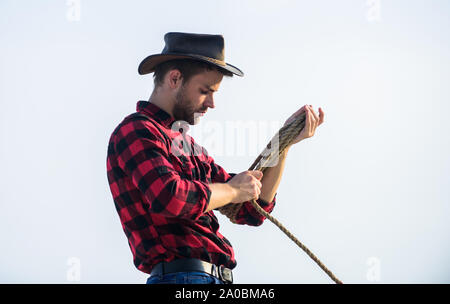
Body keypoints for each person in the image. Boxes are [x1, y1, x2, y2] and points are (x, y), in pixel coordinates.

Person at [106, 32, 324, 284]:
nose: (211, 103)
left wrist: (282, 145)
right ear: (175, 78)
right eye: (205, 91)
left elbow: (251, 210)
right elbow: (170, 197)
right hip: (182, 278)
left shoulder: (189, 147)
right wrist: (232, 190)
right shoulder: (136, 130)